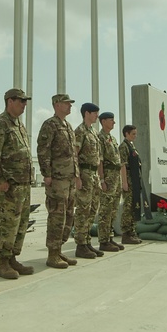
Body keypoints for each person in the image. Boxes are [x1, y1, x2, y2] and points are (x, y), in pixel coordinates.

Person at [0, 88, 35, 279]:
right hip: (9, 185)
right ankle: (3, 262)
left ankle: (13, 257)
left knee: (21, 224)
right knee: (7, 224)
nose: (24, 104)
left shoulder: (18, 125)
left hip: (23, 184)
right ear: (9, 101)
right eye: (21, 101)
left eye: (25, 101)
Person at [37, 93, 81, 269]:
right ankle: (52, 253)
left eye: (70, 103)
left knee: (69, 216)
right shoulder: (50, 125)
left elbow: (73, 154)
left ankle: (59, 249)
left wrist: (76, 175)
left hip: (69, 179)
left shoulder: (68, 126)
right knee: (57, 215)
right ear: (56, 105)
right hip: (57, 179)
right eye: (66, 103)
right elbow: (43, 150)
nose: (70, 106)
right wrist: (46, 174)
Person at [73, 102, 105, 258]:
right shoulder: (80, 131)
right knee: (83, 210)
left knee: (92, 209)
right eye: (94, 113)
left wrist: (100, 177)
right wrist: (77, 177)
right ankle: (80, 245)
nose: (97, 116)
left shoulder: (93, 132)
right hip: (84, 173)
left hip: (93, 175)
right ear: (86, 113)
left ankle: (86, 242)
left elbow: (98, 158)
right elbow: (75, 155)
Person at [97, 112, 126, 253]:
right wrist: (102, 179)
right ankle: (103, 240)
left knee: (113, 209)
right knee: (105, 210)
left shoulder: (112, 139)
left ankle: (109, 237)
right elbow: (100, 161)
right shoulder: (100, 138)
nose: (114, 122)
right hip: (108, 176)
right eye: (111, 120)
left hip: (116, 176)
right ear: (103, 121)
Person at [119, 125, 144, 244]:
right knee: (128, 207)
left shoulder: (132, 146)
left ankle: (132, 231)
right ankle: (126, 233)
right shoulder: (124, 147)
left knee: (134, 205)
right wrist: (124, 182)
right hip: (128, 179)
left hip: (134, 179)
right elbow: (123, 165)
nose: (135, 136)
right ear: (126, 134)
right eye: (133, 134)